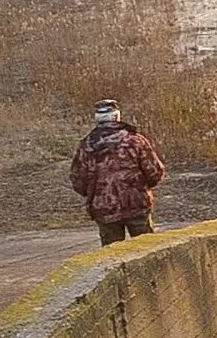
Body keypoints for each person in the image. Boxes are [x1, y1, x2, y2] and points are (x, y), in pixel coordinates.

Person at [70, 99, 166, 246]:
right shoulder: (136, 141)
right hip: (136, 204)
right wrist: (141, 188)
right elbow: (155, 172)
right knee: (147, 250)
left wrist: (97, 194)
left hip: (104, 208)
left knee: (112, 258)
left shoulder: (86, 146)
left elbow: (78, 180)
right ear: (117, 116)